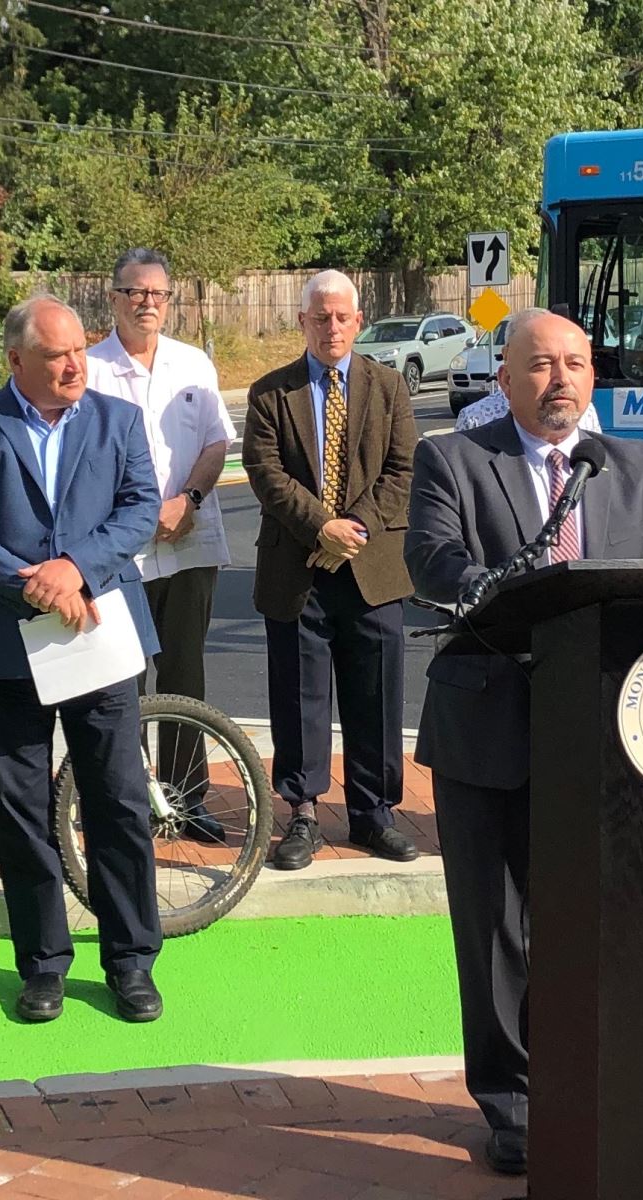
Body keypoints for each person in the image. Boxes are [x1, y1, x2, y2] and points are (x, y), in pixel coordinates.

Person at [405, 308, 643, 1177]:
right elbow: (434, 560)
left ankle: (602, 1080)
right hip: (489, 728)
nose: (560, 381)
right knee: (497, 929)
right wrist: (513, 591)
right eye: (541, 365)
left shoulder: (630, 465)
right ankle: (512, 1102)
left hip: (612, 731)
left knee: (603, 920)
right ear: (504, 379)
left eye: (575, 364)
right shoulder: (453, 459)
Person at [0, 295, 165, 1023]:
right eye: (55, 355)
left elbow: (139, 508)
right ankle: (41, 966)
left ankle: (131, 960)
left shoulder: (117, 420)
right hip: (1, 647)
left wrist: (75, 570)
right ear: (16, 360)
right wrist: (33, 585)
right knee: (20, 811)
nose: (73, 366)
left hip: (97, 637)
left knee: (117, 800)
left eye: (78, 351)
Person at [242, 270, 418, 871]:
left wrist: (354, 529)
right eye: (320, 317)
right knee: (299, 696)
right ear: (302, 322)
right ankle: (303, 813)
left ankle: (374, 814)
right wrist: (322, 527)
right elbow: (265, 473)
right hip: (297, 569)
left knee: (376, 694)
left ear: (358, 321)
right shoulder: (270, 393)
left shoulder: (389, 388)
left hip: (373, 569)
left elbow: (402, 469)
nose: (332, 327)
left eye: (342, 317)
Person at [85, 248, 235, 843]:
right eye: (136, 292)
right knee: (123, 683)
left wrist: (188, 500)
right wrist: (140, 516)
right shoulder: (90, 370)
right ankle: (125, 803)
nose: (147, 303)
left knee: (184, 675)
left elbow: (217, 443)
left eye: (158, 294)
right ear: (114, 298)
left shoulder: (193, 364)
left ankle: (185, 798)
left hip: (190, 543)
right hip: (119, 554)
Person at [455, 384, 602, 433]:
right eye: (541, 364)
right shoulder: (473, 416)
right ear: (506, 376)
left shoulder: (585, 411)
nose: (562, 378)